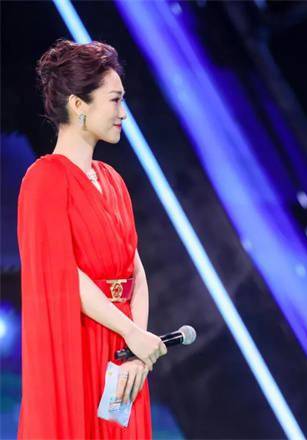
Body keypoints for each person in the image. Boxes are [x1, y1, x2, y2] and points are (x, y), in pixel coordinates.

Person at [17, 39, 167, 439]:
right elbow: (64, 276)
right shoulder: (45, 179)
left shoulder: (113, 181)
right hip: (80, 342)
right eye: (114, 100)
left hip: (125, 353)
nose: (123, 112)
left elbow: (135, 272)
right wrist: (131, 333)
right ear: (78, 105)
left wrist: (137, 349)